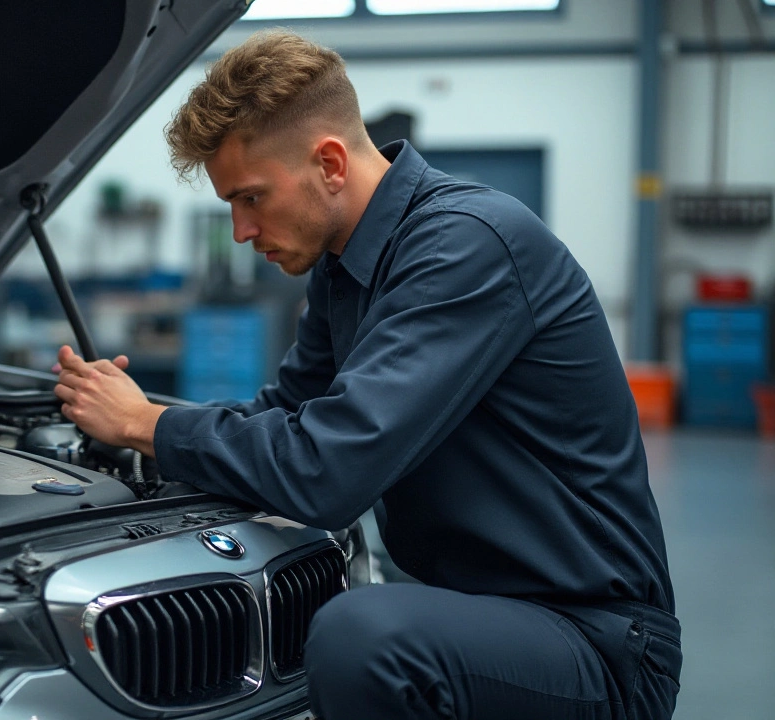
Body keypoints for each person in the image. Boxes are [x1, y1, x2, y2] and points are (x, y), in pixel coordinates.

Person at [52, 30, 681, 720]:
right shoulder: (342, 270)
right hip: (474, 614)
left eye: (252, 198)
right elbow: (288, 411)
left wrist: (149, 424)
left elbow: (326, 470)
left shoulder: (467, 245)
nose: (238, 230)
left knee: (364, 636)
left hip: (593, 640)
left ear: (328, 162)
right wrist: (134, 435)